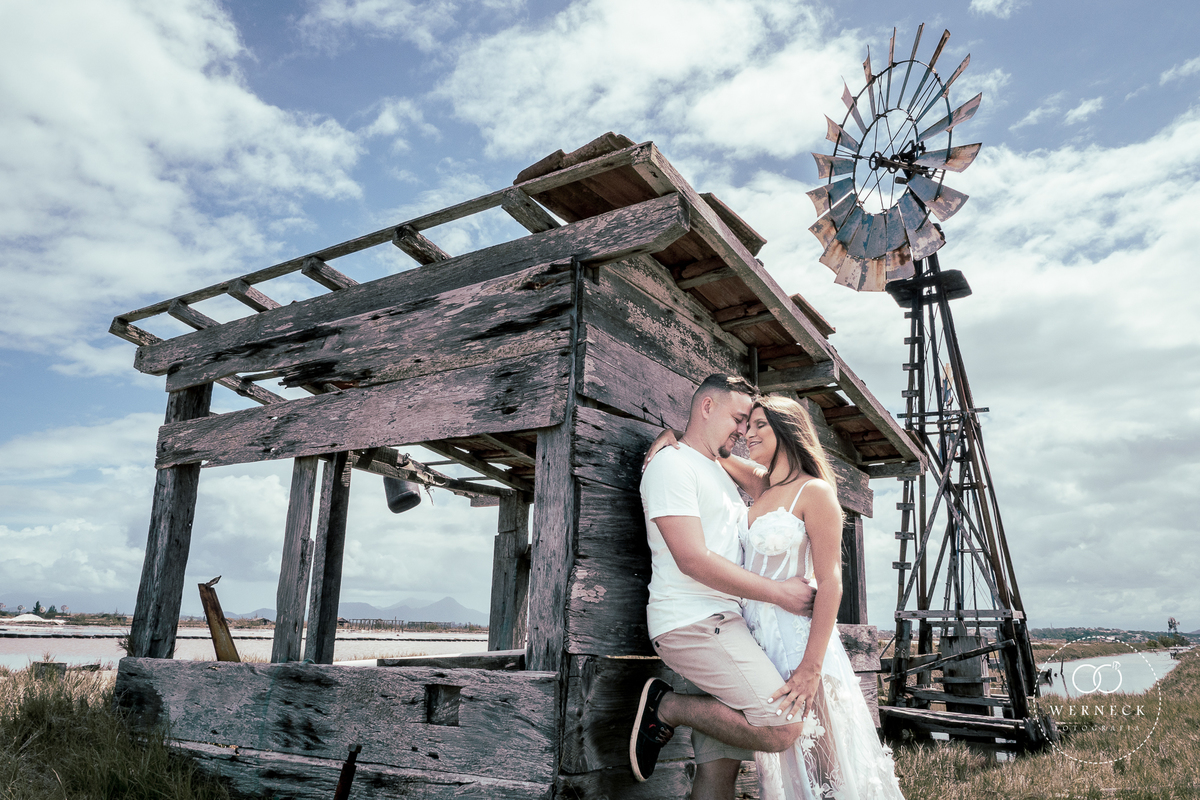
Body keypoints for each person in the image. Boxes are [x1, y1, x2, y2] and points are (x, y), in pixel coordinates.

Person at [646, 393, 905, 799]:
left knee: (824, 767)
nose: (747, 433)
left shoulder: (814, 491)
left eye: (759, 425)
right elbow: (710, 447)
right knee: (786, 765)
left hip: (799, 641)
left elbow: (831, 582)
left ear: (787, 431)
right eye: (745, 424)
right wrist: (673, 434)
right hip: (756, 638)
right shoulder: (760, 485)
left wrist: (811, 668)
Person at [631, 374, 817, 800]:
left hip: (726, 625)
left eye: (750, 423)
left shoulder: (715, 467)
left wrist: (685, 436)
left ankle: (674, 710)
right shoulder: (671, 466)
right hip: (693, 623)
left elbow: (781, 483)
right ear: (707, 407)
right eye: (738, 419)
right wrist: (779, 593)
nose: (744, 430)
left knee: (718, 775)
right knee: (782, 726)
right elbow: (692, 559)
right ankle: (667, 707)